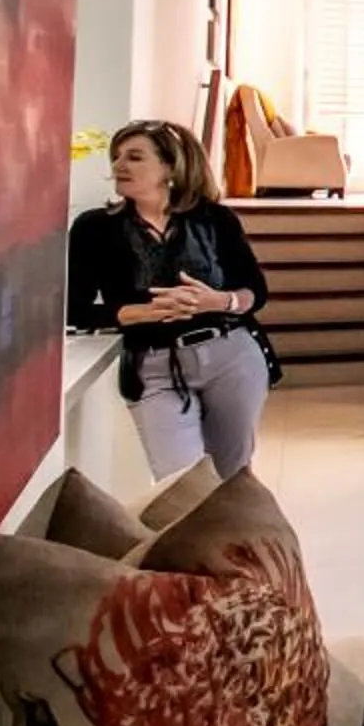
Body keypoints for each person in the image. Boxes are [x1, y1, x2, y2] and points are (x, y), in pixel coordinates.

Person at [67, 118, 278, 479]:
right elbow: (76, 309)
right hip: (153, 367)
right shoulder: (94, 228)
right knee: (180, 485)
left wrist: (220, 302)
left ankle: (234, 538)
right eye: (116, 157)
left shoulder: (215, 219)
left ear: (170, 167)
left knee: (233, 478)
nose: (119, 166)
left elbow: (254, 292)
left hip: (231, 357)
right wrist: (142, 313)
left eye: (134, 157)